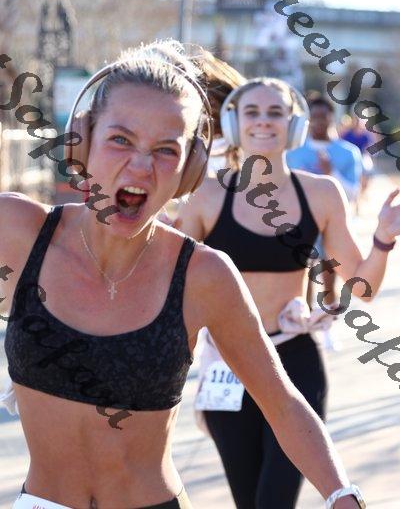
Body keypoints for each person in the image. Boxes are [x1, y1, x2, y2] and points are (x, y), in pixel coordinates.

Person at [0, 40, 366, 509]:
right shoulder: (17, 231)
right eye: (120, 140)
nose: (141, 166)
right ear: (82, 142)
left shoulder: (203, 275)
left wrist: (342, 494)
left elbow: (282, 403)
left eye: (165, 150)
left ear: (190, 170)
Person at [174, 69, 399, 509]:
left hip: (294, 362)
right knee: (249, 501)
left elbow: (362, 287)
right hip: (228, 366)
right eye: (252, 112)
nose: (263, 120)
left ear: (293, 125)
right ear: (234, 123)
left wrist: (382, 240)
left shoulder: (321, 194)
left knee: (275, 501)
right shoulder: (205, 196)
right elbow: (170, 283)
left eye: (275, 112)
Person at [286, 93, 364, 310]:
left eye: (324, 116)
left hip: (333, 221)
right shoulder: (293, 152)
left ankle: (328, 312)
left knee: (329, 273)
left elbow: (353, 193)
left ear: (332, 117)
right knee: (303, 273)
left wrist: (331, 172)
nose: (319, 121)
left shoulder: (348, 152)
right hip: (300, 220)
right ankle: (306, 316)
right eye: (315, 116)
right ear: (308, 119)